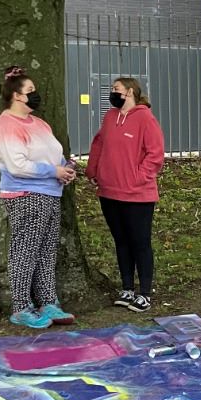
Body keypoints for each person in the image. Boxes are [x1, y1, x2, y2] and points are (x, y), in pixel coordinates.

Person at [0, 65, 77, 328]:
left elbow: (52, 153)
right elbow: (17, 165)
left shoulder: (39, 123)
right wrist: (54, 170)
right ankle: (21, 306)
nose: (35, 95)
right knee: (25, 250)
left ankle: (48, 302)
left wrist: (66, 167)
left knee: (47, 251)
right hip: (25, 194)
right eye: (30, 91)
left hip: (50, 193)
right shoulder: (6, 126)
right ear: (16, 95)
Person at [86, 76, 166, 312]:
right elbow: (99, 144)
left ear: (130, 92)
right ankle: (127, 288)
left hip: (137, 195)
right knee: (121, 242)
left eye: (116, 89)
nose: (112, 93)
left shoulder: (145, 118)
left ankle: (145, 293)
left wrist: (137, 177)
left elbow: (155, 154)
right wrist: (94, 169)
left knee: (140, 242)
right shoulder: (110, 117)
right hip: (109, 191)